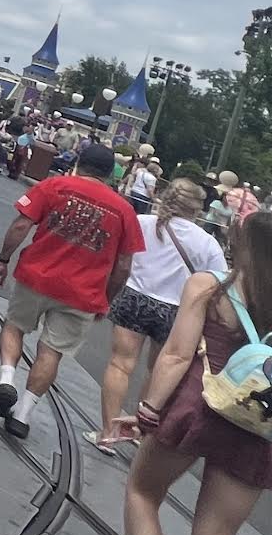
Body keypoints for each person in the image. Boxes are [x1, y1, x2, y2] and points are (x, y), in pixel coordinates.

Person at [114, 212, 272, 535]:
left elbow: (176, 356)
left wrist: (148, 412)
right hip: (256, 424)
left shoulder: (208, 287)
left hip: (196, 408)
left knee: (142, 493)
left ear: (241, 245)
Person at [0, 141, 144, 437]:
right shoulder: (124, 211)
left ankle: (6, 380)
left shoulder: (54, 186)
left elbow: (21, 226)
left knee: (14, 326)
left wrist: (3, 259)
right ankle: (23, 414)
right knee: (52, 351)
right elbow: (124, 266)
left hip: (37, 276)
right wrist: (105, 299)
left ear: (78, 163)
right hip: (83, 293)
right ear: (111, 174)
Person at [95, 178, 228, 449]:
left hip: (134, 297)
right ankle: (137, 430)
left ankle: (108, 432)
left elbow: (119, 259)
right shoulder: (207, 243)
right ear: (197, 208)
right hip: (176, 309)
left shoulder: (142, 223)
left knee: (120, 364)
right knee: (157, 371)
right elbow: (220, 282)